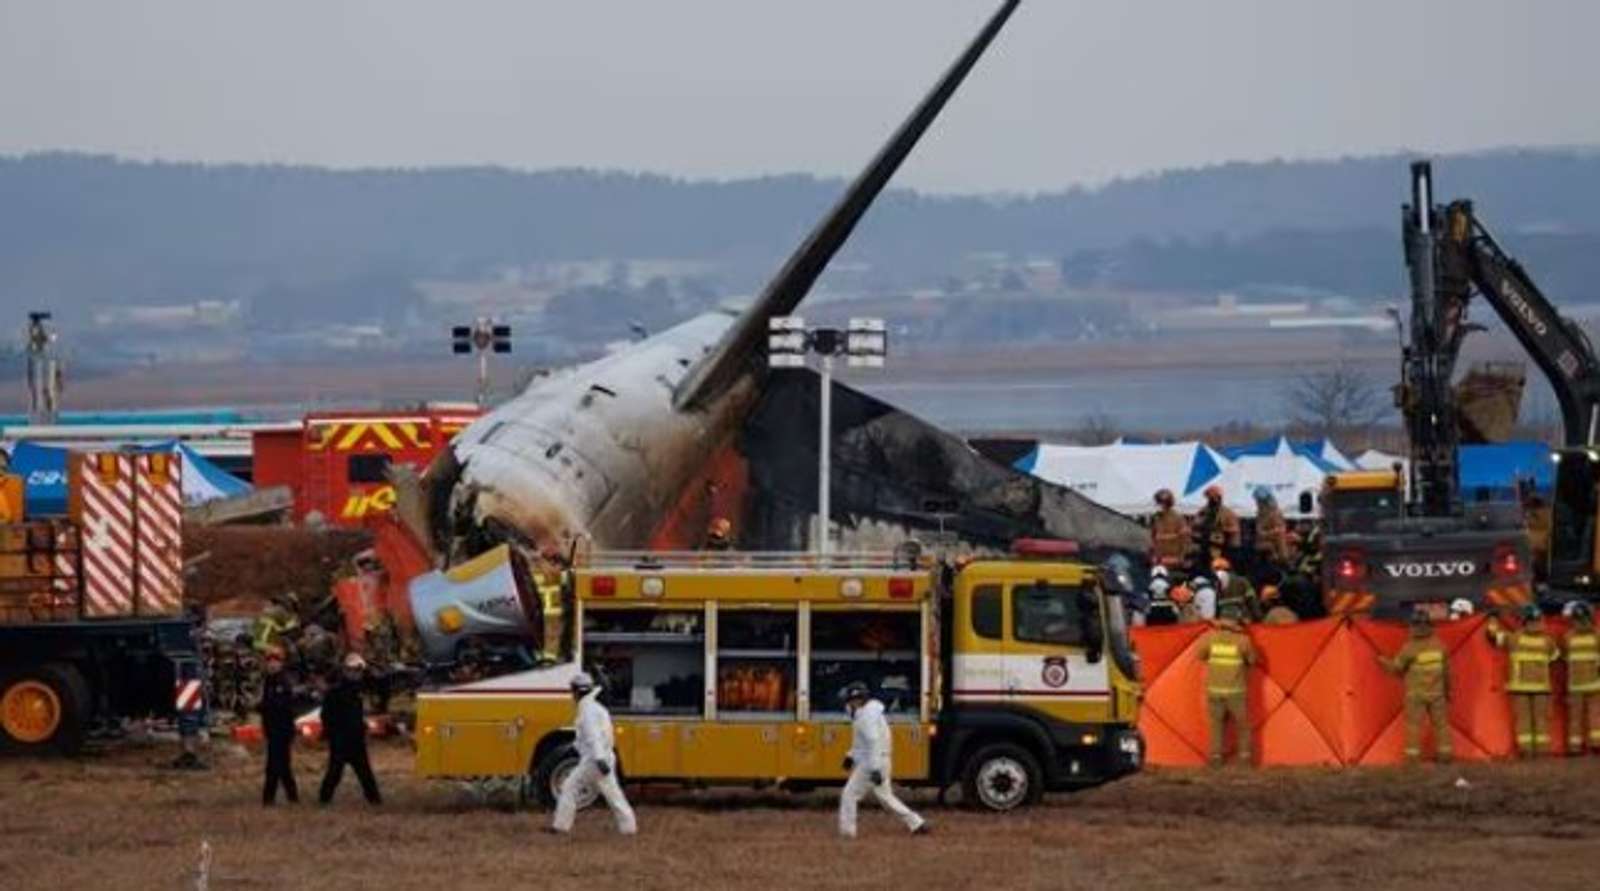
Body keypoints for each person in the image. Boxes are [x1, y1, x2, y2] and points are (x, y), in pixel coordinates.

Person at [836, 681, 927, 838]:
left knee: (849, 794)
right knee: (886, 797)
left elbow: (872, 742)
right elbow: (862, 741)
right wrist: (850, 755)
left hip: (873, 762)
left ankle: (847, 832)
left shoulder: (865, 717)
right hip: (881, 760)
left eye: (850, 700)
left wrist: (874, 769)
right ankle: (916, 822)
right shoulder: (868, 713)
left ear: (858, 700)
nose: (848, 704)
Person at [551, 672, 637, 835]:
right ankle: (629, 827)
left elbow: (593, 736)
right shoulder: (596, 708)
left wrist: (598, 759)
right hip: (604, 757)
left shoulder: (587, 710)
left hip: (594, 760)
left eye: (572, 691)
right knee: (613, 794)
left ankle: (560, 826)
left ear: (577, 691)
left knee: (569, 787)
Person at [1380, 608, 1453, 763]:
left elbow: (1396, 669)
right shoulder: (1440, 646)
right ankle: (1445, 754)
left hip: (1416, 695)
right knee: (1441, 725)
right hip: (1437, 694)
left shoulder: (1410, 648)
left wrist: (1382, 661)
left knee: (1413, 726)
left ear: (1413, 626)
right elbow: (1447, 673)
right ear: (1430, 626)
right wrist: (1448, 692)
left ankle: (1412, 757)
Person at [1488, 605, 1560, 758]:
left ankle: (1526, 751)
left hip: (1519, 687)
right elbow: (1555, 658)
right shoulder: (1547, 641)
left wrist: (1493, 619)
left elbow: (1492, 637)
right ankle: (1542, 751)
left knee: (1523, 721)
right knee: (1541, 720)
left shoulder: (1514, 638)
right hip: (1541, 687)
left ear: (1524, 621)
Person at [318, 653, 382, 805]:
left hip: (356, 738)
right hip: (340, 739)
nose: (356, 674)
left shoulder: (359, 690)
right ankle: (324, 799)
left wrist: (363, 727)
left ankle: (375, 800)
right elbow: (325, 715)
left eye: (359, 671)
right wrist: (332, 733)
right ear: (345, 671)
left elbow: (380, 681)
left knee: (365, 772)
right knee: (334, 772)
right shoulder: (336, 692)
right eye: (353, 670)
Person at [1198, 604, 1255, 766]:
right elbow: (1252, 660)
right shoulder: (1243, 640)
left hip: (1214, 690)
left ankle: (1215, 758)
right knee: (1243, 726)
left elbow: (1200, 655)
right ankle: (1244, 759)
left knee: (1216, 725)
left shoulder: (1209, 638)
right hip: (1236, 692)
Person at [259, 646, 300, 805]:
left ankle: (269, 799)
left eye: (275, 661)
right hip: (272, 729)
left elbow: (281, 706)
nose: (272, 664)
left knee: (274, 766)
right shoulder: (269, 681)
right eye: (269, 661)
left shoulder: (283, 682)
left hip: (281, 730)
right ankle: (291, 797)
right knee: (282, 766)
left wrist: (262, 706)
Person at [1561, 602, 1600, 755]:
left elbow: (1564, 657)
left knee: (1575, 718)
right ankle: (1597, 745)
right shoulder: (1597, 636)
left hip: (1575, 685)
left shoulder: (1568, 637)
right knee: (1596, 716)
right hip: (1595, 684)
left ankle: (1575, 748)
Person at [1193, 484, 1242, 569]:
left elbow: (1235, 530)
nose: (1211, 500)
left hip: (1222, 547)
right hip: (1205, 545)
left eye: (1213, 497)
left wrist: (1220, 529)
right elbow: (1195, 523)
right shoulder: (1204, 511)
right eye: (1209, 498)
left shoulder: (1227, 513)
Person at [1251, 488, 1290, 578]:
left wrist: (1264, 534)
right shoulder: (1260, 514)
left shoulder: (1274, 513)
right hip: (1262, 548)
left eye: (1259, 501)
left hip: (1275, 548)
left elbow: (1279, 530)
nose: (1257, 503)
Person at [1149, 489, 1191, 571]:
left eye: (1159, 502)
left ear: (1167, 503)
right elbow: (1153, 538)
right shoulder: (1156, 517)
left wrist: (1180, 559)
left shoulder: (1178, 518)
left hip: (1173, 560)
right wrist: (1151, 555)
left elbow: (1184, 540)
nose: (1157, 505)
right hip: (1158, 560)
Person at [1213, 558, 1261, 623]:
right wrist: (1258, 617)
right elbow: (1252, 601)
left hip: (1223, 621)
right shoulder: (1243, 581)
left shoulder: (1214, 583)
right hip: (1243, 620)